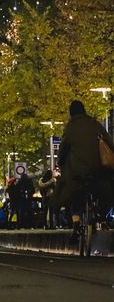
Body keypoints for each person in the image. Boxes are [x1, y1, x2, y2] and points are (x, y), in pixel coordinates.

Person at [53, 99, 114, 241]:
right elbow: (109, 141)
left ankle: (75, 223)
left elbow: (63, 150)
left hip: (77, 172)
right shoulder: (94, 123)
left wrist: (60, 162)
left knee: (72, 192)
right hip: (97, 169)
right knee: (107, 189)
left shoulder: (70, 127)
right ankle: (101, 215)